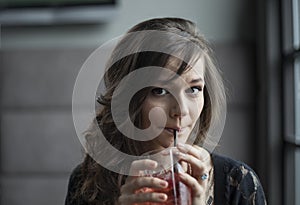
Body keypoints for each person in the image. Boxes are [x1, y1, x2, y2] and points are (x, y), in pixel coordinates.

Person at [65, 17, 267, 205]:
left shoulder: (238, 183)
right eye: (160, 91)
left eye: (194, 89)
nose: (181, 110)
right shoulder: (86, 183)